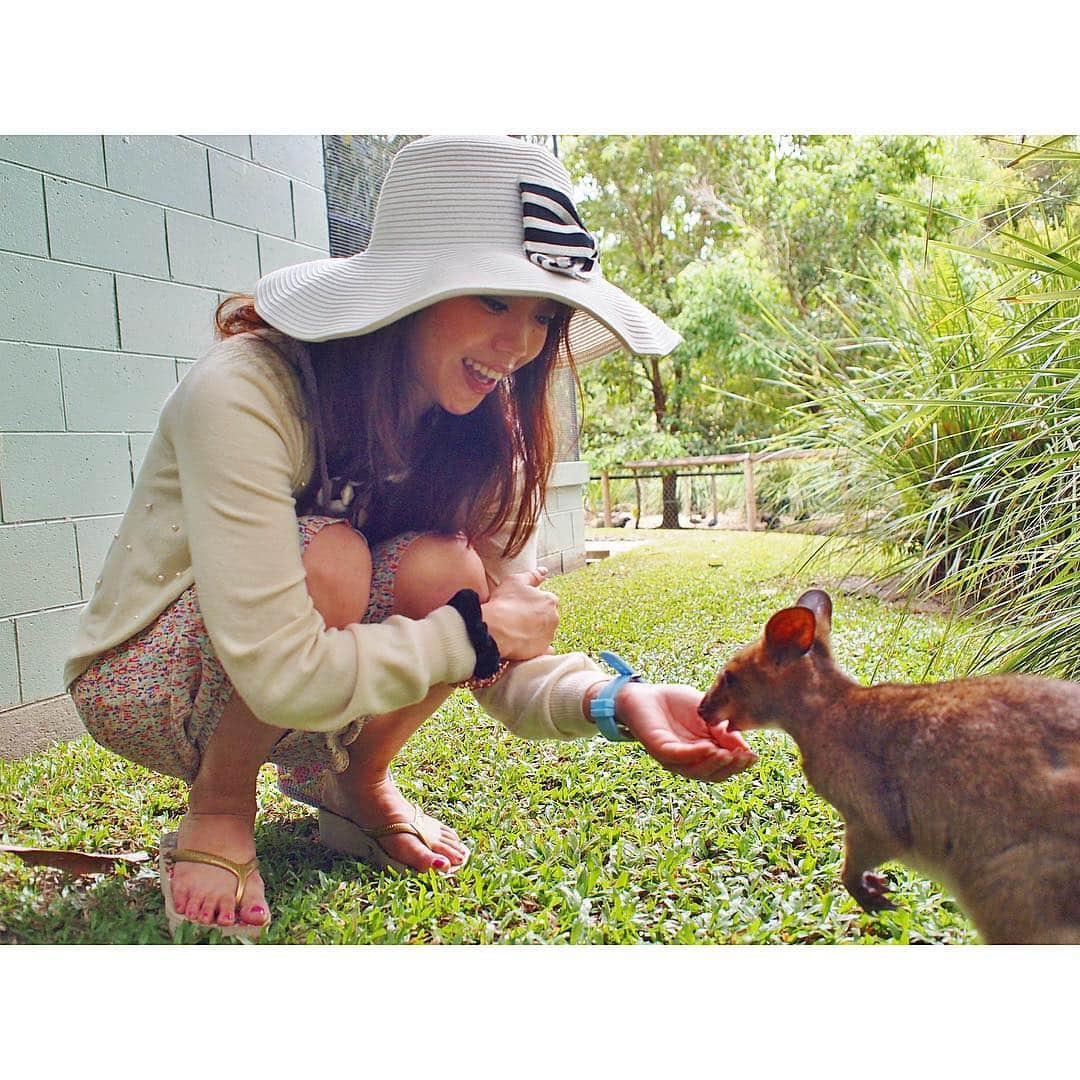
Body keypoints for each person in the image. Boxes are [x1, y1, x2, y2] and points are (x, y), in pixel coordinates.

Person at [64, 135, 756, 939]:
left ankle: (356, 782)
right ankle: (220, 803)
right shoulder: (247, 390)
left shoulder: (487, 436)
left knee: (447, 568)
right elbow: (304, 669)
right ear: (406, 295)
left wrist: (615, 702)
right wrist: (470, 637)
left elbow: (506, 656)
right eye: (492, 299)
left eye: (542, 314)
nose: (520, 344)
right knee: (334, 560)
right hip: (155, 683)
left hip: (323, 687)